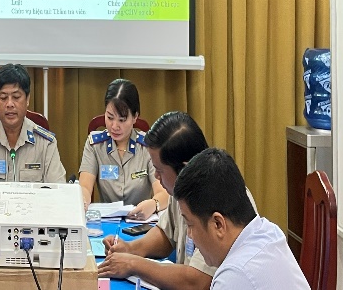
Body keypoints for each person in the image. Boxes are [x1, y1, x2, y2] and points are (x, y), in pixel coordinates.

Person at [98, 111, 216, 290]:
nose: (156, 176)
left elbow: (197, 281)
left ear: (184, 169)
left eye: (160, 170)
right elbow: (166, 234)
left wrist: (133, 264)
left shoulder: (215, 198)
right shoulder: (182, 188)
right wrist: (130, 249)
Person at [174, 148, 310, 289]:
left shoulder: (234, 277)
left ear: (218, 224)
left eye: (190, 224)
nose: (190, 235)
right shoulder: (269, 232)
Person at [78, 79, 168, 219]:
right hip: (106, 222)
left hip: (140, 222)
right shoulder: (95, 145)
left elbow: (164, 193)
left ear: (135, 117)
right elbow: (85, 187)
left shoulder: (148, 147)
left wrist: (153, 204)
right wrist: (82, 200)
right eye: (110, 118)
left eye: (122, 120)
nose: (114, 126)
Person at [0, 63, 66, 182]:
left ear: (27, 99)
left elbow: (58, 189)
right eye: (3, 98)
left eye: (16, 97)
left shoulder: (46, 143)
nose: (10, 104)